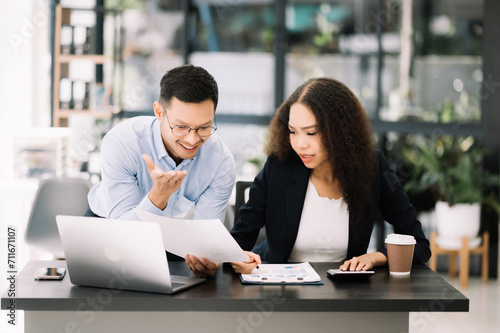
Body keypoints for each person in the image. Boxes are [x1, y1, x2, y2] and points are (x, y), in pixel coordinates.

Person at [229, 77, 431, 274]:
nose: (300, 144)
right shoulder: (279, 167)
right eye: (293, 131)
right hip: (280, 292)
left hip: (345, 295)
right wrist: (238, 257)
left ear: (340, 132)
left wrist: (376, 257)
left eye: (311, 133)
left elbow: (419, 244)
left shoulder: (373, 168)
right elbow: (237, 242)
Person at [85, 64, 236, 277]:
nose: (192, 140)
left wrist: (208, 259)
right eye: (181, 127)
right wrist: (158, 197)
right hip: (109, 229)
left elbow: (205, 237)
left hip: (172, 237)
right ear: (159, 112)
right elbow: (122, 234)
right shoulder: (122, 143)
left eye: (204, 127)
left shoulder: (221, 162)